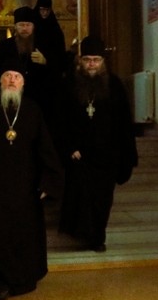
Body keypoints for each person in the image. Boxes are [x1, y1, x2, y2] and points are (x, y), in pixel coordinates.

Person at [0, 58, 64, 300]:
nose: (12, 80)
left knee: (22, 237)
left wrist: (48, 181)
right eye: (7, 75)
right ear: (0, 81)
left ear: (23, 82)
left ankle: (22, 280)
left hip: (25, 189)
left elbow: (45, 148)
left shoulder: (33, 110)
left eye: (17, 76)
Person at [58, 36, 138, 252]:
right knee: (82, 196)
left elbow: (124, 122)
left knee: (103, 199)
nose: (91, 64)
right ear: (80, 61)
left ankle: (97, 238)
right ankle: (84, 234)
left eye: (96, 60)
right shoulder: (69, 84)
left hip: (107, 155)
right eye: (87, 60)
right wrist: (69, 147)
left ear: (103, 61)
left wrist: (126, 155)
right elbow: (60, 120)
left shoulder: (115, 85)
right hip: (80, 155)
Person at [0, 6, 60, 125]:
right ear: (15, 26)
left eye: (28, 25)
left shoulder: (43, 46)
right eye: (21, 25)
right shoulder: (3, 47)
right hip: (9, 100)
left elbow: (56, 74)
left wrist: (45, 62)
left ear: (33, 26)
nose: (25, 29)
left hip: (37, 102)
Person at [33, 0, 66, 73]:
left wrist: (46, 60)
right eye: (42, 9)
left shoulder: (55, 28)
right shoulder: (32, 25)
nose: (45, 13)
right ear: (38, 9)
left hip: (51, 70)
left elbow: (60, 53)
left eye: (47, 10)